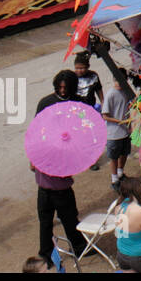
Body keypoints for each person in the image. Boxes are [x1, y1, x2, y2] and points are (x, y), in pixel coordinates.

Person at [34, 71, 88, 264]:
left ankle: (48, 252)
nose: (63, 91)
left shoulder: (77, 103)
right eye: (60, 87)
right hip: (58, 188)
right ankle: (74, 248)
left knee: (56, 220)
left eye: (66, 87)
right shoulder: (45, 104)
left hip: (48, 185)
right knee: (66, 218)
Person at [101, 71, 131, 189]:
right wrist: (119, 121)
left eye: (122, 80)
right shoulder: (110, 94)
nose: (119, 83)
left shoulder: (126, 93)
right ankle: (114, 179)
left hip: (125, 131)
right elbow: (105, 115)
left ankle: (120, 173)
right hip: (113, 133)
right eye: (117, 80)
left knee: (124, 153)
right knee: (113, 157)